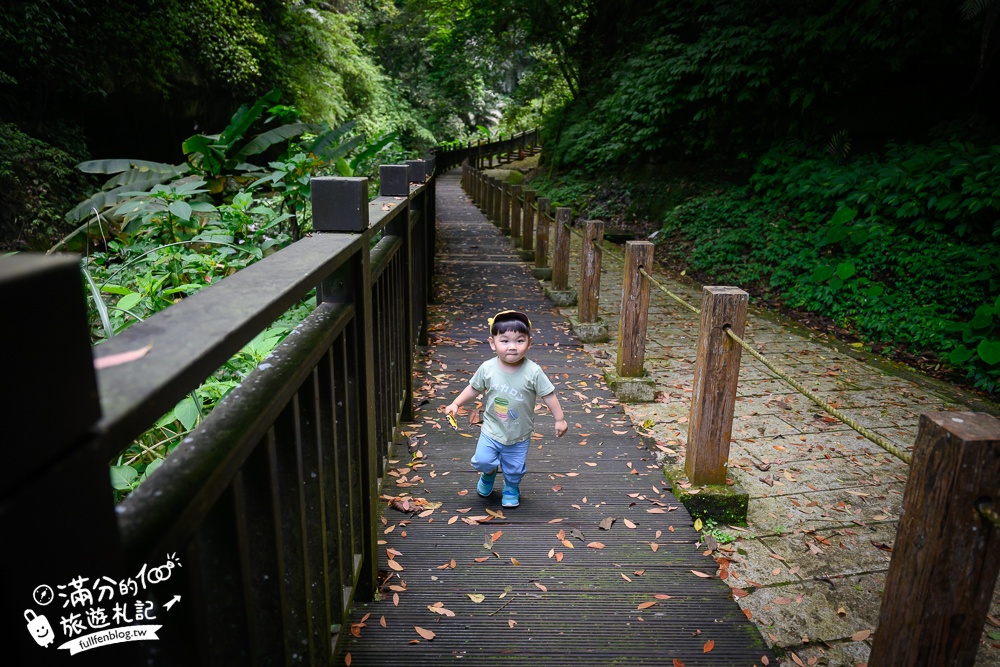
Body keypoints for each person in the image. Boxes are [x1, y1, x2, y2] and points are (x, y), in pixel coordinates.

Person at [445, 310, 568, 508]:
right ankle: (489, 473)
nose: (512, 347)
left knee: (514, 468)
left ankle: (511, 487)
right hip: (492, 429)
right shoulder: (487, 368)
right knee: (482, 461)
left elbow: (548, 395)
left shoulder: (533, 371)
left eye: (519, 340)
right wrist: (456, 403)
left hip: (519, 433)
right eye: (505, 341)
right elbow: (474, 388)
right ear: (493, 343)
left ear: (529, 343)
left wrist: (559, 419)